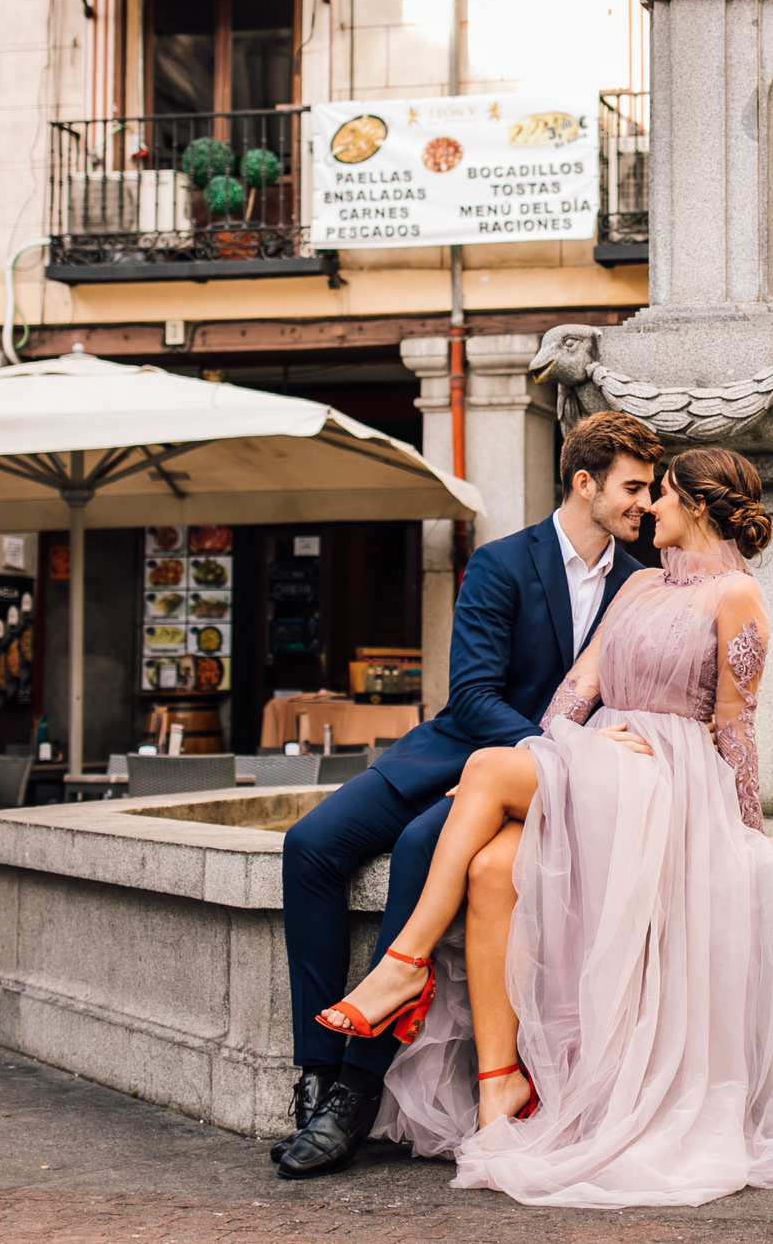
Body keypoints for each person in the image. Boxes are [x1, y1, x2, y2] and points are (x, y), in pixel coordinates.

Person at [332, 446, 773, 1208]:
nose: (647, 509)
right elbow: (573, 696)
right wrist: (570, 752)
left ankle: (404, 961)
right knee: (491, 869)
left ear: (696, 506)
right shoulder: (634, 587)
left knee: (486, 771)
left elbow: (736, 728)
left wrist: (744, 830)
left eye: (660, 495)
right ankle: (498, 1086)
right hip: (607, 761)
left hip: (670, 780)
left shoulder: (738, 596)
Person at [270, 410, 665, 1180]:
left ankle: (355, 1090)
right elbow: (474, 692)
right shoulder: (501, 562)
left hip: (527, 782)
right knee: (309, 846)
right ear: (584, 483)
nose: (645, 504)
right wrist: (552, 750)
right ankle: (316, 1069)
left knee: (422, 851)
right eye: (633, 487)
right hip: (455, 749)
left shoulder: (637, 582)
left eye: (649, 491)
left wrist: (562, 766)